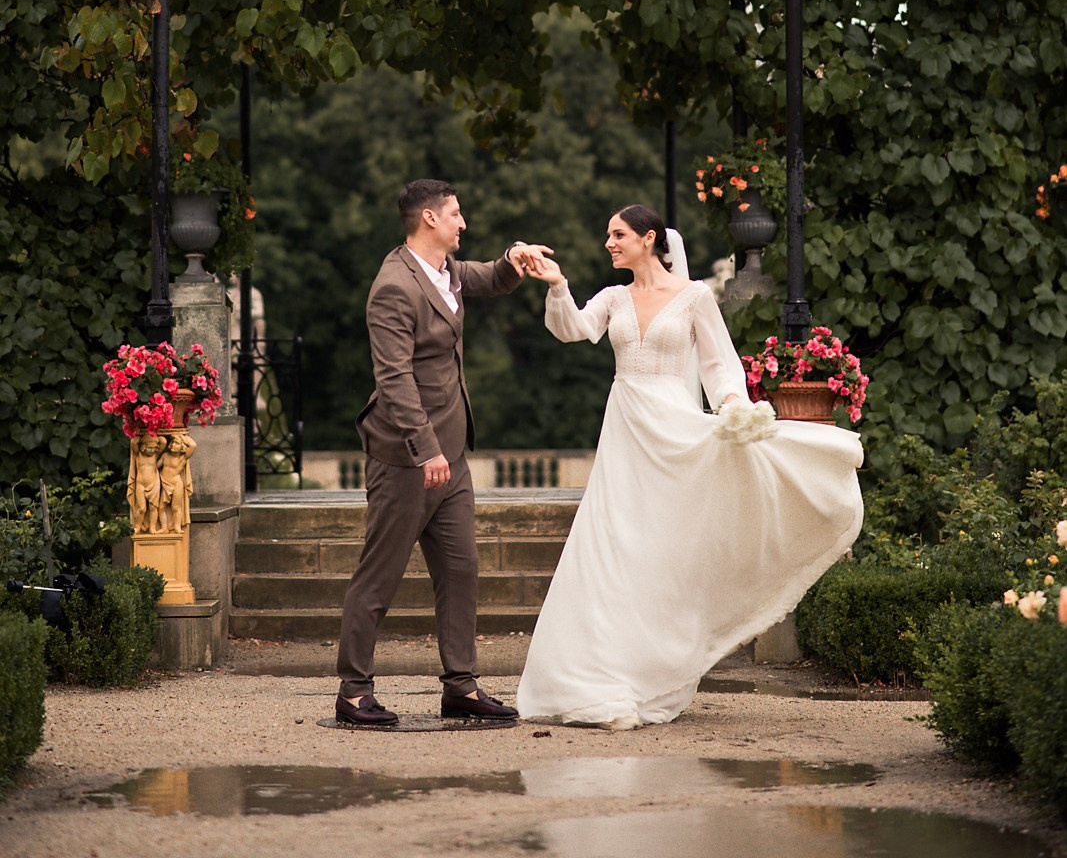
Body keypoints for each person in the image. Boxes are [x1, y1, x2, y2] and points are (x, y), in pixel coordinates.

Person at [516, 204, 864, 729]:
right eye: (608, 234)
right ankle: (598, 675)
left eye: (618, 234)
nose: (608, 243)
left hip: (675, 428)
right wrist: (557, 285)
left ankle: (654, 669)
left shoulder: (695, 296)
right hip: (626, 430)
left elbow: (719, 365)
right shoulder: (613, 298)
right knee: (612, 544)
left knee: (665, 548)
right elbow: (574, 329)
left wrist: (735, 408)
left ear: (648, 238)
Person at [335, 178, 551, 728]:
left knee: (460, 570)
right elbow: (393, 378)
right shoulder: (393, 286)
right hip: (406, 457)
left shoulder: (445, 270)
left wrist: (514, 258)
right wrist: (425, 449)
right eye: (455, 214)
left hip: (450, 456)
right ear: (429, 218)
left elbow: (490, 277)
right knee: (379, 576)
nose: (463, 222)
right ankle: (353, 691)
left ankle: (461, 687)